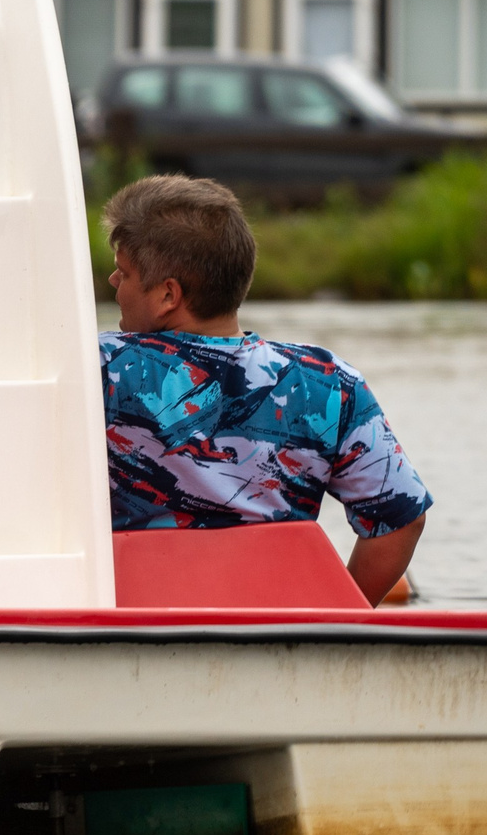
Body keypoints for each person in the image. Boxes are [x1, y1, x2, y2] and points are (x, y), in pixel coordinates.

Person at [100, 174, 431, 605]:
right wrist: (337, 618)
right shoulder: (327, 381)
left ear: (168, 295)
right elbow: (402, 518)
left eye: (123, 272)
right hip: (277, 629)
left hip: (136, 625)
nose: (111, 282)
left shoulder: (101, 369)